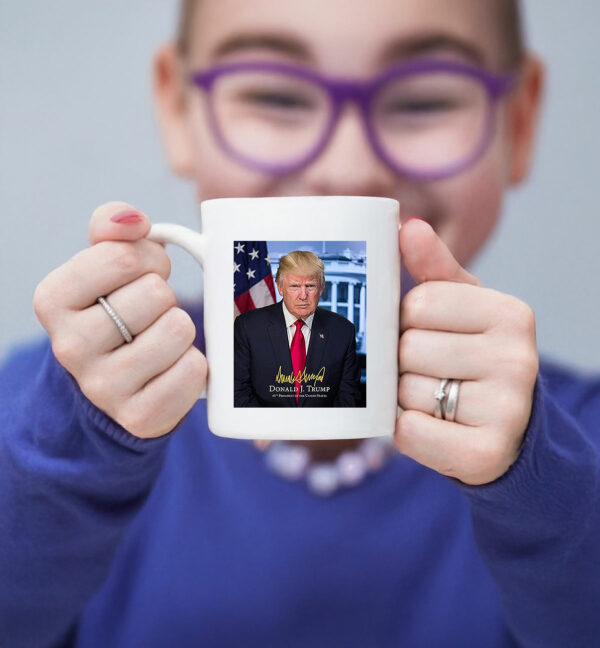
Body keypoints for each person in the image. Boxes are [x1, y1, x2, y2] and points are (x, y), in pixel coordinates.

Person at [1, 0, 599, 646]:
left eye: (424, 101)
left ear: (520, 120)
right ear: (177, 107)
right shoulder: (34, 422)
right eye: (276, 96)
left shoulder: (579, 448)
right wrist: (73, 446)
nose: (346, 170)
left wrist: (537, 483)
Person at [234, 250, 362, 407]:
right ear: (280, 288)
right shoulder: (248, 327)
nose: (303, 295)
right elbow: (238, 390)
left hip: (323, 429)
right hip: (265, 428)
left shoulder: (343, 331)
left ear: (321, 289)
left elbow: (348, 396)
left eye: (310, 286)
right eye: (294, 286)